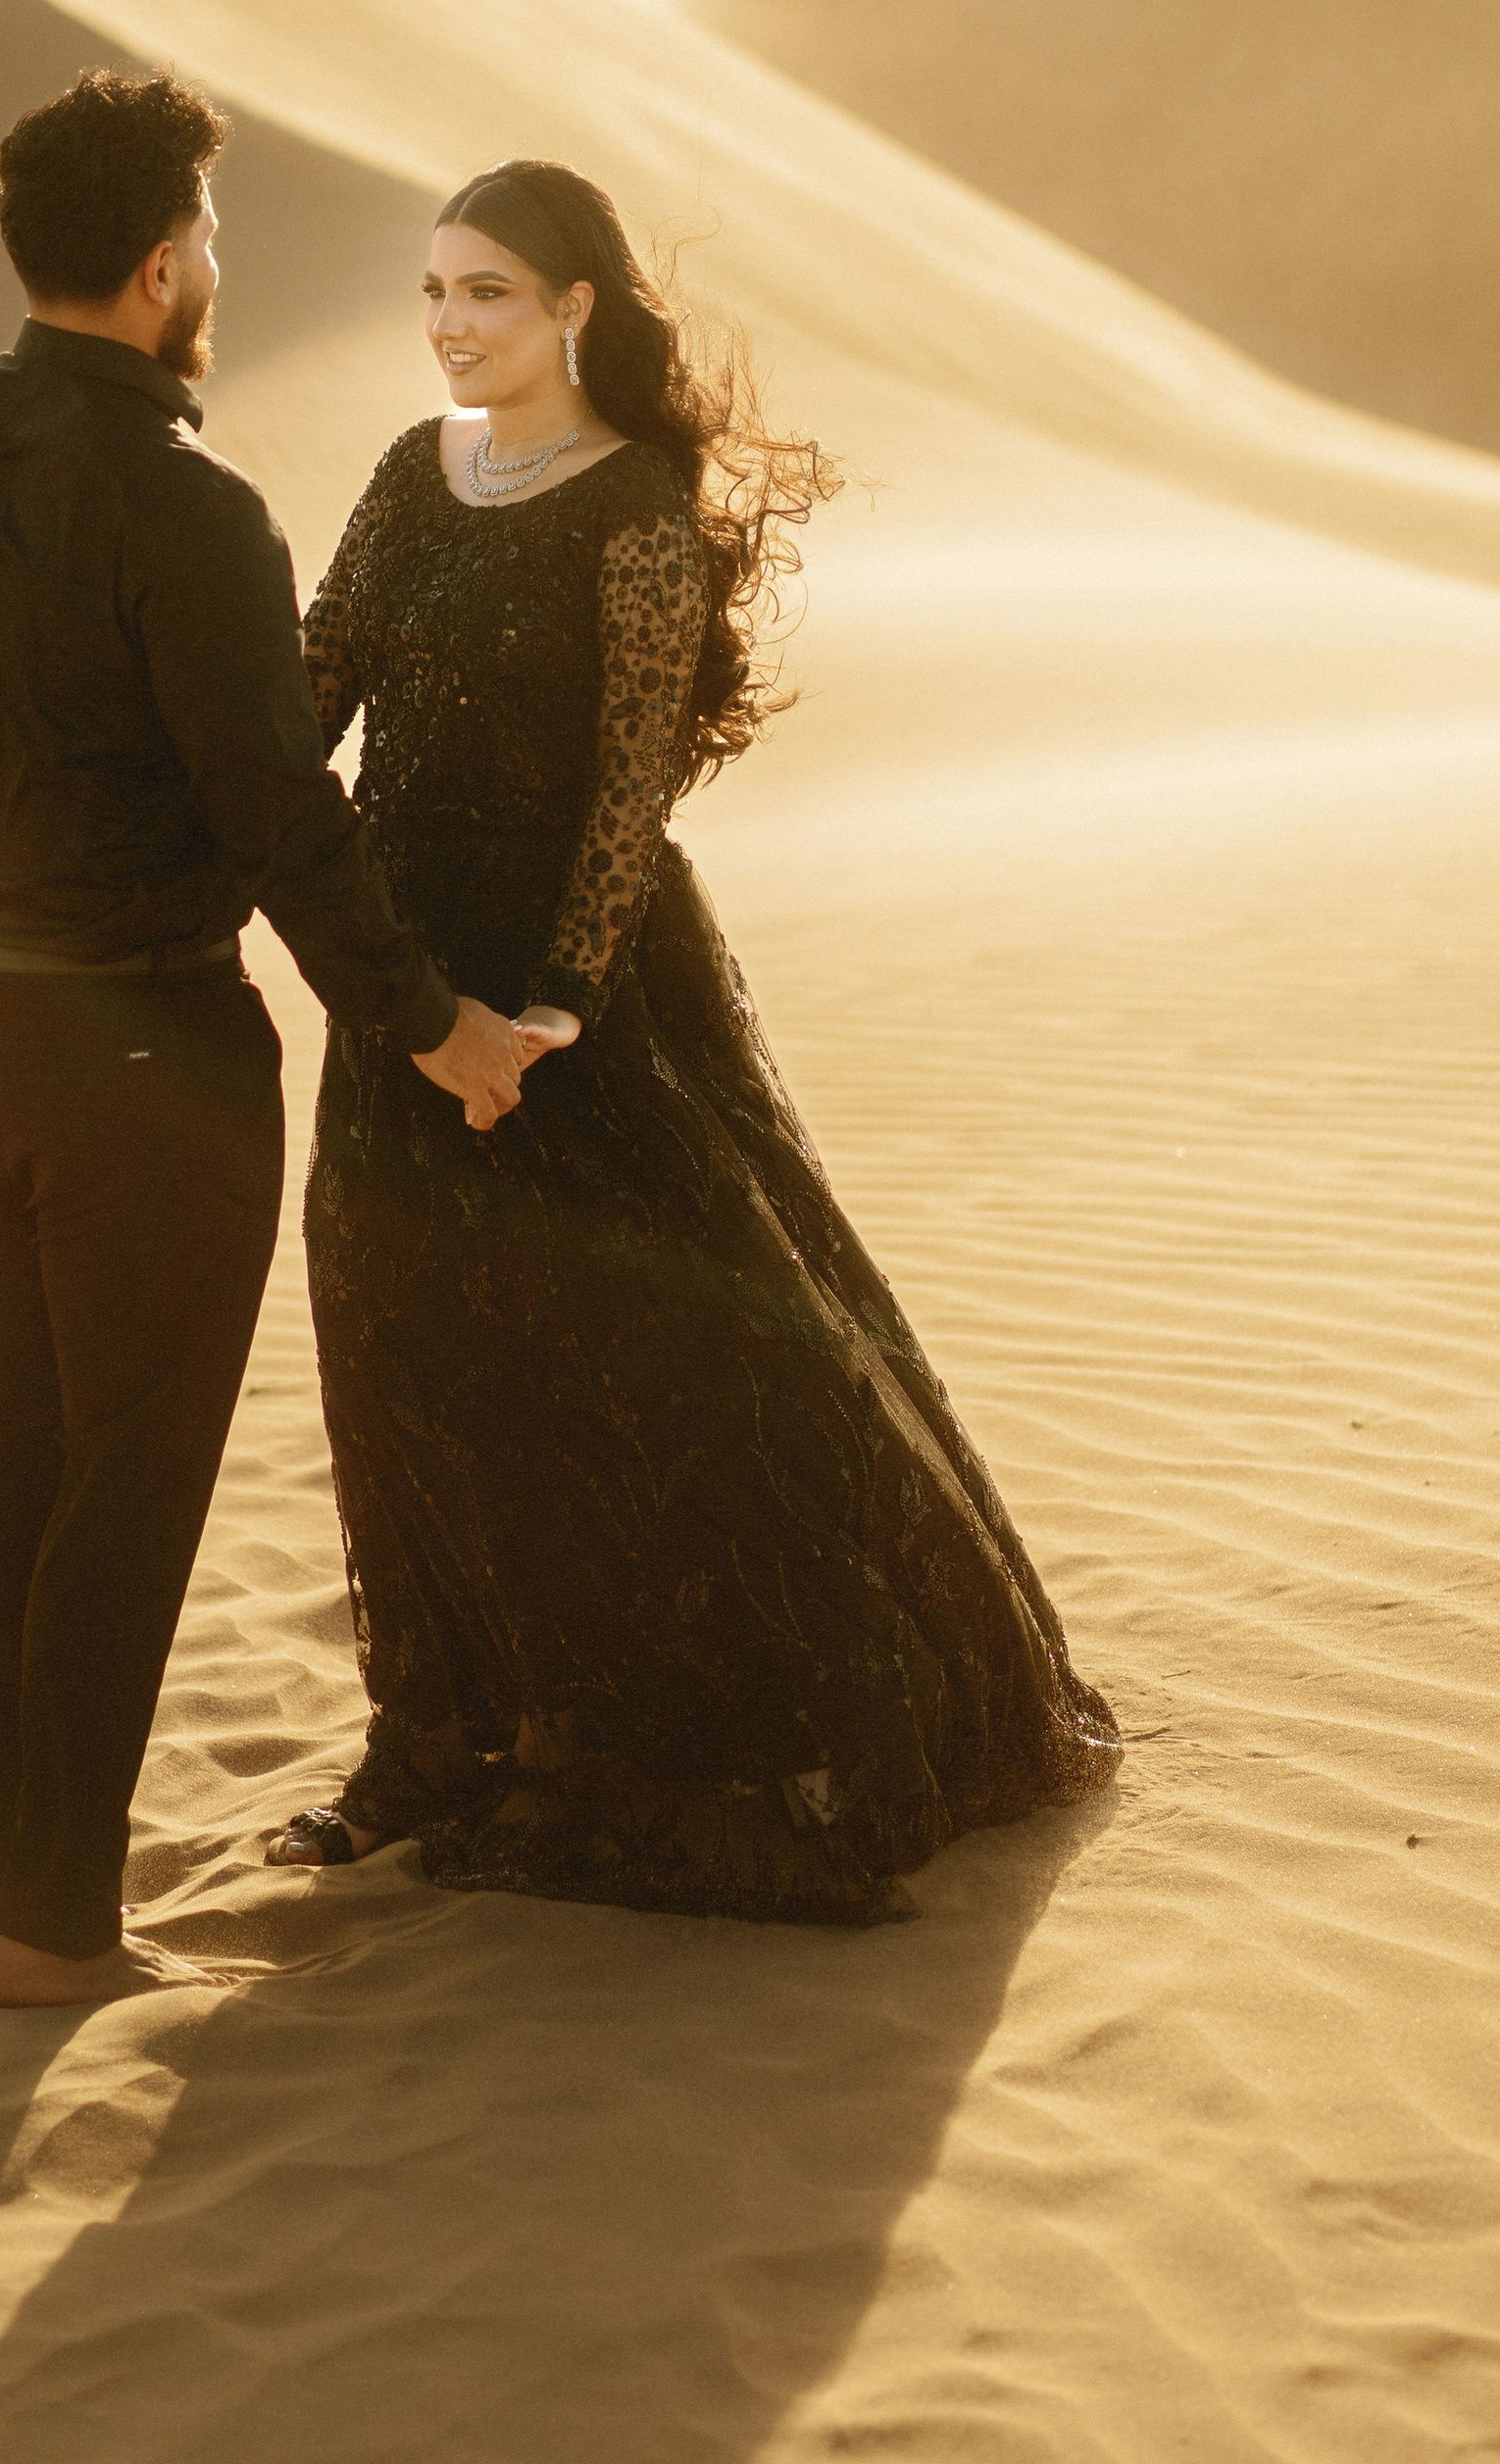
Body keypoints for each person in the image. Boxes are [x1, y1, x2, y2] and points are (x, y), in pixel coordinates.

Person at [267, 159, 1121, 1921]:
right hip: (402, 987)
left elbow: (629, 786)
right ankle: (436, 1737)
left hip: (578, 1009)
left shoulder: (634, 507)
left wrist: (552, 1012)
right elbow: (312, 693)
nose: (450, 327)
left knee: (651, 1370)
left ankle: (679, 1731)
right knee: (409, 1347)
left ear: (576, 306)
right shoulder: (401, 477)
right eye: (431, 292)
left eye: (488, 291)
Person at [0, 70, 545, 2007]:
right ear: (160, 269)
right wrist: (437, 1031)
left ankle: (0, 1885)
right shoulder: (188, 503)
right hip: (141, 1046)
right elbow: (280, 826)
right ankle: (60, 1928)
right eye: (209, 241)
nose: (218, 266)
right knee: (126, 1466)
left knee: (18, 1432)